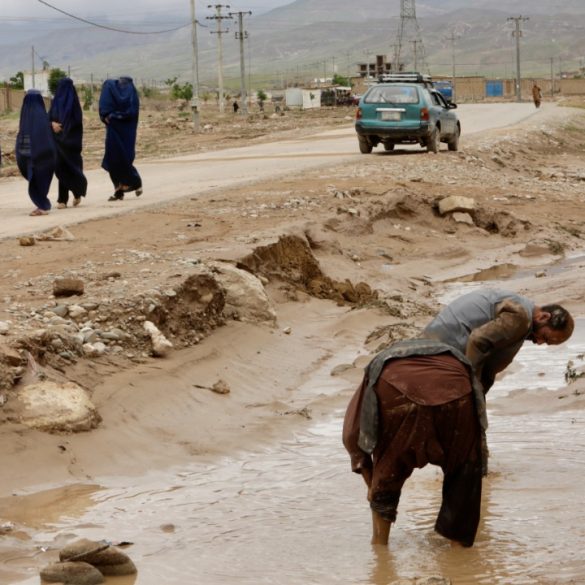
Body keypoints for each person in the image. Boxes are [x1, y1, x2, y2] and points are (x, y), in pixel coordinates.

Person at [343, 288, 573, 548]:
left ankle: (379, 548)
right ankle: (459, 551)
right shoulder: (520, 317)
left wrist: (370, 482)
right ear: (542, 317)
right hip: (451, 373)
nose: (541, 343)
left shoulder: (513, 312)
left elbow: (355, 435)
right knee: (466, 469)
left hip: (417, 361)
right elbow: (476, 341)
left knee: (389, 465)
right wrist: (470, 386)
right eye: (546, 338)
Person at [99, 76, 142, 201]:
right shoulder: (112, 92)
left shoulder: (132, 96)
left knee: (125, 158)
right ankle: (118, 190)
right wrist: (108, 117)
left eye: (125, 85)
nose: (123, 88)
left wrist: (114, 116)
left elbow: (131, 113)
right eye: (121, 85)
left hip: (128, 132)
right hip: (114, 131)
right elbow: (104, 109)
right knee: (113, 159)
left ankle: (136, 182)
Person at [15, 89, 55, 216]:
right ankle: (42, 205)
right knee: (41, 179)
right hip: (47, 153)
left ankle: (42, 206)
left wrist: (24, 153)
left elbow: (25, 134)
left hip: (35, 155)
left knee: (36, 179)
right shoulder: (42, 114)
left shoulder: (27, 115)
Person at [49, 78, 87, 209]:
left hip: (72, 143)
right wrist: (52, 124)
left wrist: (64, 127)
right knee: (61, 168)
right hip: (57, 142)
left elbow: (77, 123)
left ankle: (77, 193)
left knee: (73, 168)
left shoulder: (74, 105)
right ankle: (62, 199)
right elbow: (48, 118)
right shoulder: (54, 103)